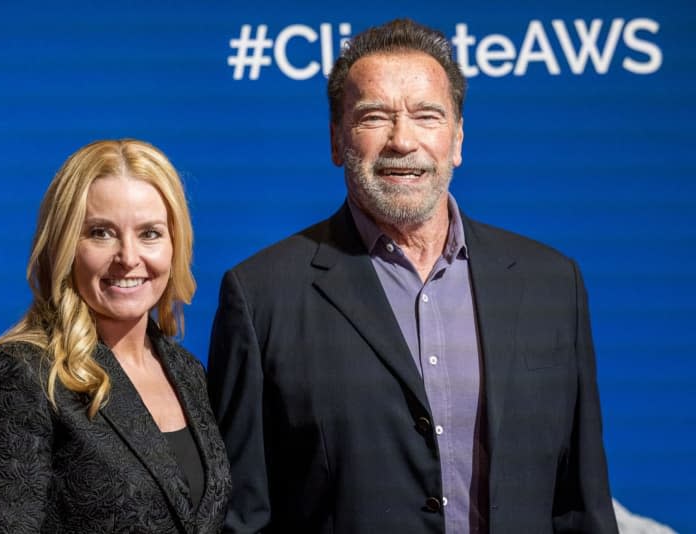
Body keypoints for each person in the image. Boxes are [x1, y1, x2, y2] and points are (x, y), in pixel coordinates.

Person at [207, 19, 618, 533]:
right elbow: (244, 517)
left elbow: (581, 505)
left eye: (427, 116)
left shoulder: (552, 284)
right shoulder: (260, 295)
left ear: (458, 139)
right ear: (337, 140)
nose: (403, 141)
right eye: (374, 116)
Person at [0, 139, 231, 533]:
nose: (128, 257)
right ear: (64, 245)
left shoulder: (187, 373)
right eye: (101, 233)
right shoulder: (20, 375)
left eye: (150, 233)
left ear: (175, 244)